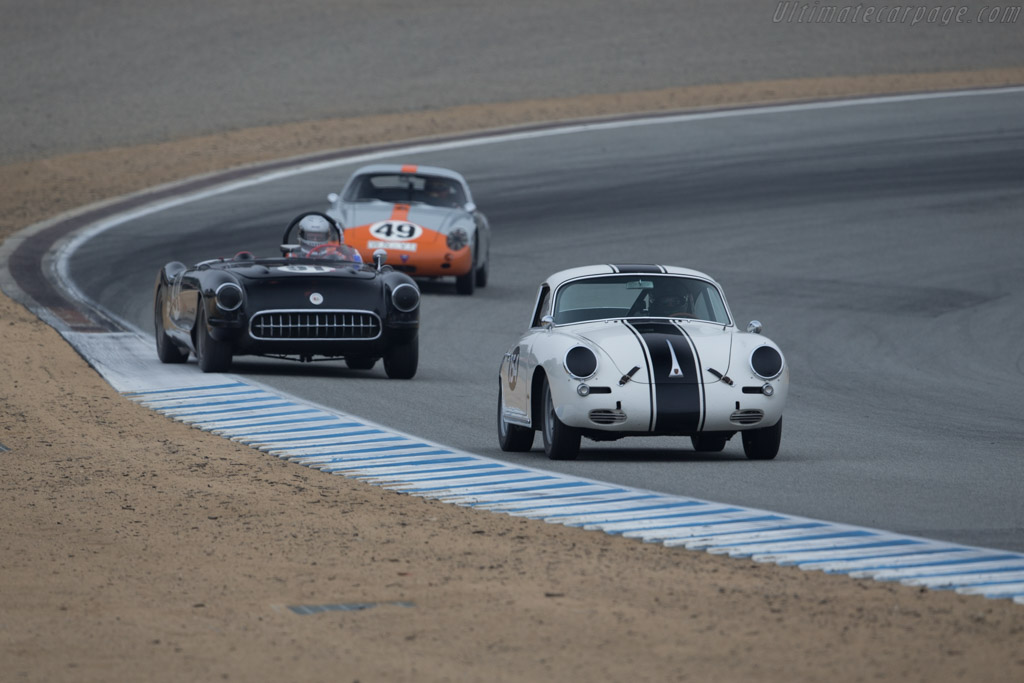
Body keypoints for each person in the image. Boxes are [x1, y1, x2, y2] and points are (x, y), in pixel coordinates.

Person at [292, 214, 363, 263]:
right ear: (301, 235)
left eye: (319, 237)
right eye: (311, 237)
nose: (315, 240)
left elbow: (358, 268)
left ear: (327, 236)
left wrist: (351, 254)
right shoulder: (292, 255)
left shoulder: (336, 255)